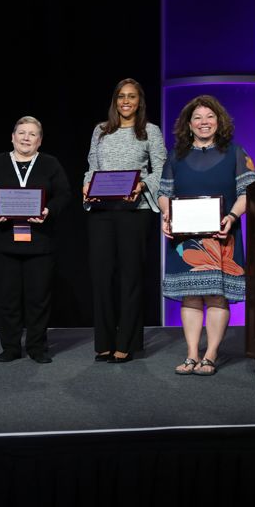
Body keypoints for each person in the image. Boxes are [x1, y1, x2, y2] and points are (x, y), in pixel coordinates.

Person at [157, 95, 255, 376]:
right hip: (185, 238)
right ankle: (192, 355)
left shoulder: (236, 153)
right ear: (188, 124)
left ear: (219, 121)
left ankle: (210, 355)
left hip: (222, 235)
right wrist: (167, 215)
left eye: (210, 117)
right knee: (190, 297)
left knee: (216, 297)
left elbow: (248, 192)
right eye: (197, 118)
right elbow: (164, 193)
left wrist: (232, 217)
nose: (204, 122)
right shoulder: (175, 156)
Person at [83, 78, 167, 363]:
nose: (126, 101)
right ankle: (104, 342)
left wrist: (142, 185)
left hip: (135, 211)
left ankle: (127, 343)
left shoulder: (150, 131)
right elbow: (92, 166)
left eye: (132, 96)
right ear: (115, 101)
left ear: (139, 101)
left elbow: (161, 169)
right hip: (102, 211)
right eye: (121, 96)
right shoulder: (100, 130)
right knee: (101, 277)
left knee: (131, 277)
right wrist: (86, 185)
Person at [0, 116, 70, 363]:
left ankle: (37, 347)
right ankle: (10, 347)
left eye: (32, 134)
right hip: (4, 240)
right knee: (7, 298)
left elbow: (63, 194)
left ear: (39, 140)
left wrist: (49, 210)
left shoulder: (50, 163)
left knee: (38, 298)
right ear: (12, 137)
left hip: (40, 241)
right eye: (21, 133)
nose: (26, 138)